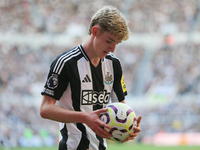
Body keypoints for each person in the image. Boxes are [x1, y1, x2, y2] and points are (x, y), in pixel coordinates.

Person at [40, 5, 142, 150]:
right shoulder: (66, 63)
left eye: (116, 43)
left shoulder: (114, 64)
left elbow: (121, 108)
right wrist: (85, 118)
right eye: (109, 41)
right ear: (95, 31)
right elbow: (45, 108)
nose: (113, 48)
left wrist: (129, 126)